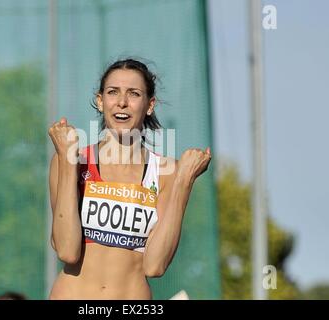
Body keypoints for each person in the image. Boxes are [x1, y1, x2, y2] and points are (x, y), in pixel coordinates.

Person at [48, 58, 211, 299]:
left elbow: (155, 265)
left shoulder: (167, 171)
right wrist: (65, 159)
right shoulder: (73, 159)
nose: (122, 102)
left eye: (134, 94)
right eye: (113, 92)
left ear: (149, 105)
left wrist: (184, 181)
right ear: (100, 101)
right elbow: (66, 250)